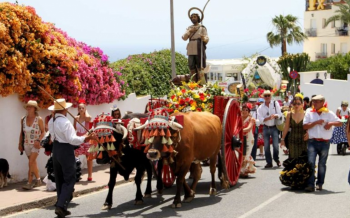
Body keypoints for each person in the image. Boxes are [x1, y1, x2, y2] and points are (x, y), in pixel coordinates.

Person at [48, 98, 96, 217]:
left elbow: (53, 136)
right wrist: (86, 138)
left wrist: (85, 136)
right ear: (65, 109)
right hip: (65, 149)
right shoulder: (65, 122)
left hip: (56, 149)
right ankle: (60, 205)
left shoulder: (51, 121)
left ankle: (62, 204)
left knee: (60, 178)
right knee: (70, 178)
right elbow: (72, 140)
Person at [303, 95, 341, 192]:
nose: (314, 103)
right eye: (313, 101)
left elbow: (340, 122)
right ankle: (311, 184)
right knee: (311, 163)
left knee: (322, 164)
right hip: (312, 141)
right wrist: (316, 122)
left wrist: (330, 124)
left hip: (325, 142)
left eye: (316, 101)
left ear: (322, 102)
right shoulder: (309, 112)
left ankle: (320, 183)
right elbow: (305, 126)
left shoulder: (328, 113)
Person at [280, 94, 310, 188]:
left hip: (303, 140)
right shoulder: (289, 114)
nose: (296, 105)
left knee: (302, 159)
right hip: (292, 139)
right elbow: (286, 128)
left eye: (298, 103)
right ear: (292, 104)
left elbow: (309, 126)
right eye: (295, 103)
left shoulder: (306, 114)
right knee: (293, 159)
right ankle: (294, 182)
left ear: (302, 104)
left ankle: (303, 181)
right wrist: (282, 139)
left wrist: (308, 133)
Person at [19, 100, 45, 190]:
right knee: (33, 163)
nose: (28, 108)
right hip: (26, 144)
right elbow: (21, 132)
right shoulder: (23, 119)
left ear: (34, 108)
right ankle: (38, 180)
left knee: (30, 162)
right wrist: (20, 144)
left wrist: (38, 140)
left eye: (30, 106)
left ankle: (29, 182)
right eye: (27, 106)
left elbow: (43, 132)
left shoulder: (39, 119)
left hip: (35, 144)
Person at [257, 90, 282, 168]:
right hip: (266, 127)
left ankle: (276, 159)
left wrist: (275, 116)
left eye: (268, 95)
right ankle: (269, 162)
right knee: (266, 146)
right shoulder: (261, 107)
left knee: (276, 146)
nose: (267, 97)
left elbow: (280, 114)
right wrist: (267, 118)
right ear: (263, 97)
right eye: (266, 96)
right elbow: (260, 119)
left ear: (271, 96)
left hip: (274, 127)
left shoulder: (275, 103)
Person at [182, 12, 209, 83]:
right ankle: (193, 81)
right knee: (191, 64)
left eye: (195, 17)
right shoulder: (189, 28)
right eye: (192, 17)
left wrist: (203, 38)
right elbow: (184, 37)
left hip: (199, 47)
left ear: (198, 18)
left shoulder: (202, 28)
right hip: (191, 47)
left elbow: (206, 38)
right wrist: (189, 31)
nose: (193, 18)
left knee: (200, 65)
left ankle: (201, 81)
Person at [73, 99, 92, 181]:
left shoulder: (87, 117)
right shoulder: (76, 118)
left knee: (89, 157)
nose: (81, 110)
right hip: (79, 139)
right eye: (79, 108)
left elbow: (88, 118)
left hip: (86, 139)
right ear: (77, 109)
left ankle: (90, 175)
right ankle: (75, 174)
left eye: (82, 108)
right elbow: (74, 128)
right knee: (75, 156)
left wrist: (86, 110)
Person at [240, 104, 257, 177]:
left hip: (249, 139)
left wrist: (238, 131)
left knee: (246, 154)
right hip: (240, 138)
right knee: (239, 154)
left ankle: (243, 170)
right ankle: (241, 169)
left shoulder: (251, 119)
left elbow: (249, 128)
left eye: (246, 110)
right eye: (243, 109)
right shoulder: (238, 118)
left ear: (249, 111)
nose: (244, 111)